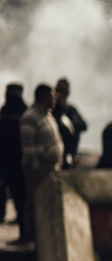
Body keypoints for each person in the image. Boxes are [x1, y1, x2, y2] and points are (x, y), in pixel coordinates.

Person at [18, 84, 63, 244]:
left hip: (51, 169)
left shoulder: (48, 115)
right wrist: (37, 167)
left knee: (49, 203)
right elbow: (28, 147)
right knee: (35, 202)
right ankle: (31, 237)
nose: (54, 100)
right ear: (42, 97)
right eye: (51, 96)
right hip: (38, 170)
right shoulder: (30, 117)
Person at [0, 84, 27, 233]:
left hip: (20, 163)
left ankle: (25, 231)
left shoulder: (23, 113)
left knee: (22, 199)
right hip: (9, 163)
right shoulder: (7, 113)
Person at [52, 78, 87, 170]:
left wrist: (71, 125)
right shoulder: (50, 109)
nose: (61, 94)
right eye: (59, 91)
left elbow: (83, 125)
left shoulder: (70, 110)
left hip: (68, 151)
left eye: (64, 92)